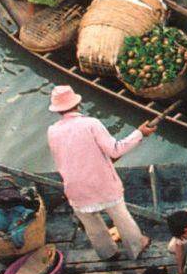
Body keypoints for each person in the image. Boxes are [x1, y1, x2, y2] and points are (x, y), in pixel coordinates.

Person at [46, 86, 155, 260]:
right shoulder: (91, 123)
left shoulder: (52, 131)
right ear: (78, 104)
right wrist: (139, 133)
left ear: (58, 110)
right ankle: (136, 247)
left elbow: (64, 159)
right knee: (122, 219)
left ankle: (107, 253)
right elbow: (115, 150)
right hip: (103, 185)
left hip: (75, 189)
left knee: (93, 227)